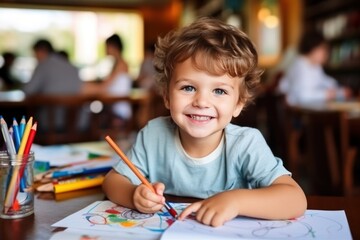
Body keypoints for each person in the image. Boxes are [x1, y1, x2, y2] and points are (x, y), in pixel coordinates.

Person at [102, 17, 307, 227]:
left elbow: (295, 199)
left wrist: (236, 200)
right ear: (166, 96)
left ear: (238, 104)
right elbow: (112, 181)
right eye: (188, 88)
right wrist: (134, 195)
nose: (201, 102)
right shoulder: (153, 134)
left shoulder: (246, 144)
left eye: (219, 91)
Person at [278, 31, 352, 105]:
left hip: (305, 108)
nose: (326, 54)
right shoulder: (299, 66)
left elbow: (325, 81)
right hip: (294, 111)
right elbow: (303, 96)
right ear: (313, 49)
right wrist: (329, 94)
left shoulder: (315, 66)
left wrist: (340, 91)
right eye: (323, 49)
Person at [101, 34, 132, 121]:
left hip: (119, 110)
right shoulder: (117, 64)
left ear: (113, 46)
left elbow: (105, 86)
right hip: (114, 106)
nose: (105, 49)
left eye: (107, 46)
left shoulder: (121, 64)